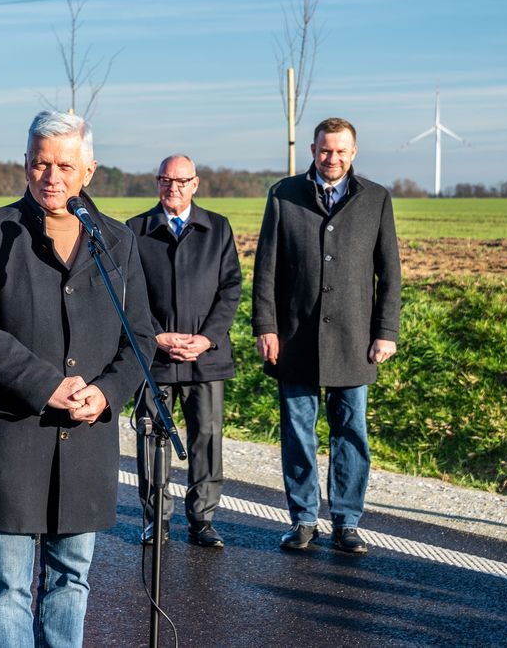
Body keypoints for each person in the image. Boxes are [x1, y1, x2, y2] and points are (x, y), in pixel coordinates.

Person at [0, 111, 155, 647]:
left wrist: (106, 392)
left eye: (65, 166)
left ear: (89, 170)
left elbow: (139, 336)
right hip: (11, 436)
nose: (52, 176)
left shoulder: (117, 241)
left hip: (85, 440)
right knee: (7, 587)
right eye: (42, 163)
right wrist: (46, 385)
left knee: (71, 580)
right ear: (26, 164)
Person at [252, 117, 402, 555]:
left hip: (354, 339)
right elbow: (265, 268)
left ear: (353, 153)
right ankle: (302, 519)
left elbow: (390, 273)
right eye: (324, 150)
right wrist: (266, 326)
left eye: (340, 151)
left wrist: (385, 332)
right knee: (298, 432)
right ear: (313, 151)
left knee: (351, 431)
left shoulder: (376, 198)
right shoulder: (283, 194)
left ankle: (346, 522)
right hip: (294, 337)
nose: (331, 158)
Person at [127, 154, 241, 548]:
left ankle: (203, 519)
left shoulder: (217, 228)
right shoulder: (136, 230)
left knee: (206, 437)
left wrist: (207, 338)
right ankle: (156, 519)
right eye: (165, 180)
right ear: (157, 183)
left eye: (180, 181)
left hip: (205, 356)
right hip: (154, 355)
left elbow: (230, 288)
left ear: (195, 183)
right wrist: (156, 335)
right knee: (151, 436)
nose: (172, 187)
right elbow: (129, 293)